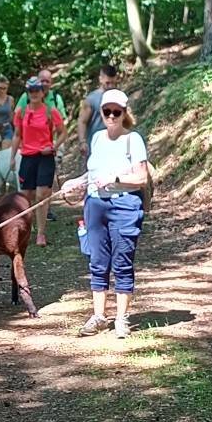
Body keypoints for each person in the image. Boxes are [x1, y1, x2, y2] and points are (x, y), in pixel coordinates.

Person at [75, 88, 149, 339]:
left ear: (124, 113)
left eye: (117, 112)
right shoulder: (96, 138)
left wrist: (115, 178)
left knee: (122, 261)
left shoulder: (133, 140)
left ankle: (121, 318)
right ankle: (98, 316)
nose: (112, 116)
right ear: (101, 112)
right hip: (95, 204)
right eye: (107, 111)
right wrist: (77, 181)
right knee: (97, 261)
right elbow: (93, 173)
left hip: (125, 204)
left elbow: (141, 178)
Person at [13, 75, 65, 248]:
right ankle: (27, 228)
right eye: (31, 91)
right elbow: (17, 135)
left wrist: (53, 146)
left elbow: (62, 132)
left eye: (37, 90)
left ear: (43, 92)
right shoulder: (22, 112)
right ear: (28, 93)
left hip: (45, 156)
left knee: (42, 194)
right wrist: (13, 156)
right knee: (26, 196)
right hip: (27, 156)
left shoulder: (51, 111)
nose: (34, 94)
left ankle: (41, 233)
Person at [77, 57, 122, 160]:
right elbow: (82, 121)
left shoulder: (119, 96)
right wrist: (82, 142)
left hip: (116, 144)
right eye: (108, 83)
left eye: (113, 83)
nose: (111, 86)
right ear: (100, 79)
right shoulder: (91, 99)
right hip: (95, 146)